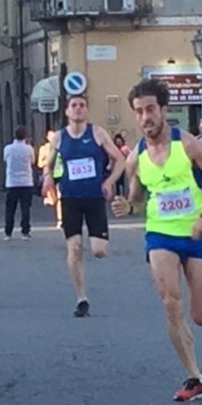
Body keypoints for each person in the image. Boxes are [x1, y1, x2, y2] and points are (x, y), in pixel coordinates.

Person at [111, 78, 202, 402]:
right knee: (170, 303)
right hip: (160, 234)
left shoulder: (188, 144)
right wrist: (128, 205)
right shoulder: (136, 157)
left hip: (195, 233)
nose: (145, 117)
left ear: (163, 110)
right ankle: (194, 376)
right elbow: (137, 198)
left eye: (150, 109)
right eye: (138, 111)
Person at [41, 95, 125, 318]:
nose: (78, 109)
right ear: (67, 111)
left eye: (82, 106)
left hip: (94, 197)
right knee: (75, 248)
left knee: (99, 251)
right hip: (70, 198)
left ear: (87, 111)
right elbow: (48, 165)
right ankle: (81, 298)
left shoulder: (97, 133)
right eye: (74, 106)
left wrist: (109, 181)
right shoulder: (59, 137)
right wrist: (48, 178)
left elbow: (120, 159)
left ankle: (95, 245)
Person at [3, 125, 35, 240]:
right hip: (26, 182)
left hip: (12, 182)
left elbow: (5, 160)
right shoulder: (29, 149)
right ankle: (25, 232)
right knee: (25, 208)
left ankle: (8, 232)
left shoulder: (8, 148)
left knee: (10, 208)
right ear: (25, 136)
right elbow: (32, 162)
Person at [37, 130, 61, 228]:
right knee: (54, 200)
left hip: (60, 174)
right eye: (51, 136)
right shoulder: (44, 149)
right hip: (49, 175)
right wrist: (47, 163)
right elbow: (39, 163)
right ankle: (50, 200)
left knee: (60, 198)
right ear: (47, 137)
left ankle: (60, 219)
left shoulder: (61, 147)